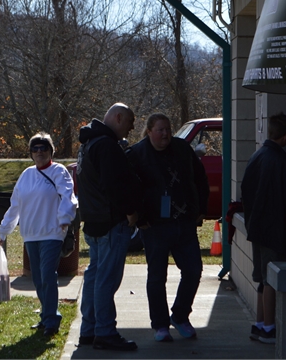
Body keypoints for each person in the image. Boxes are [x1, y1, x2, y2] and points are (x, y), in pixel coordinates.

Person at [125, 113, 209, 342]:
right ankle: (160, 325)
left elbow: (200, 178)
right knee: (156, 278)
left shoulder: (182, 149)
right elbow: (127, 188)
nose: (165, 134)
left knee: (193, 271)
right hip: (154, 227)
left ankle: (180, 316)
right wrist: (139, 217)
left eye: (168, 129)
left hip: (184, 223)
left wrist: (201, 208)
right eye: (160, 129)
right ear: (149, 131)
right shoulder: (137, 154)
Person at [0, 132, 77, 337]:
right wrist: (4, 229)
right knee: (39, 278)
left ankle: (52, 320)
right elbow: (15, 204)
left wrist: (65, 219)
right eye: (35, 148)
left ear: (51, 151)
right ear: (31, 153)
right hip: (31, 234)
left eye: (44, 148)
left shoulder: (59, 171)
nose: (39, 152)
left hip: (52, 232)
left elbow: (69, 196)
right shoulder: (26, 175)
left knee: (48, 275)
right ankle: (45, 316)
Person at [76, 103, 141, 351]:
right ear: (118, 117)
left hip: (94, 221)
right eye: (130, 122)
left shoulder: (88, 144)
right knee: (106, 279)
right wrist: (130, 211)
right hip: (111, 223)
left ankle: (89, 330)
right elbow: (115, 185)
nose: (132, 127)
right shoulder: (106, 145)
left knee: (94, 276)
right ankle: (104, 331)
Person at [241, 112, 286, 344]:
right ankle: (269, 327)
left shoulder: (257, 156)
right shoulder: (281, 161)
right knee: (271, 280)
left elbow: (246, 189)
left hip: (257, 227)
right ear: (285, 137)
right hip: (275, 229)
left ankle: (259, 324)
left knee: (262, 278)